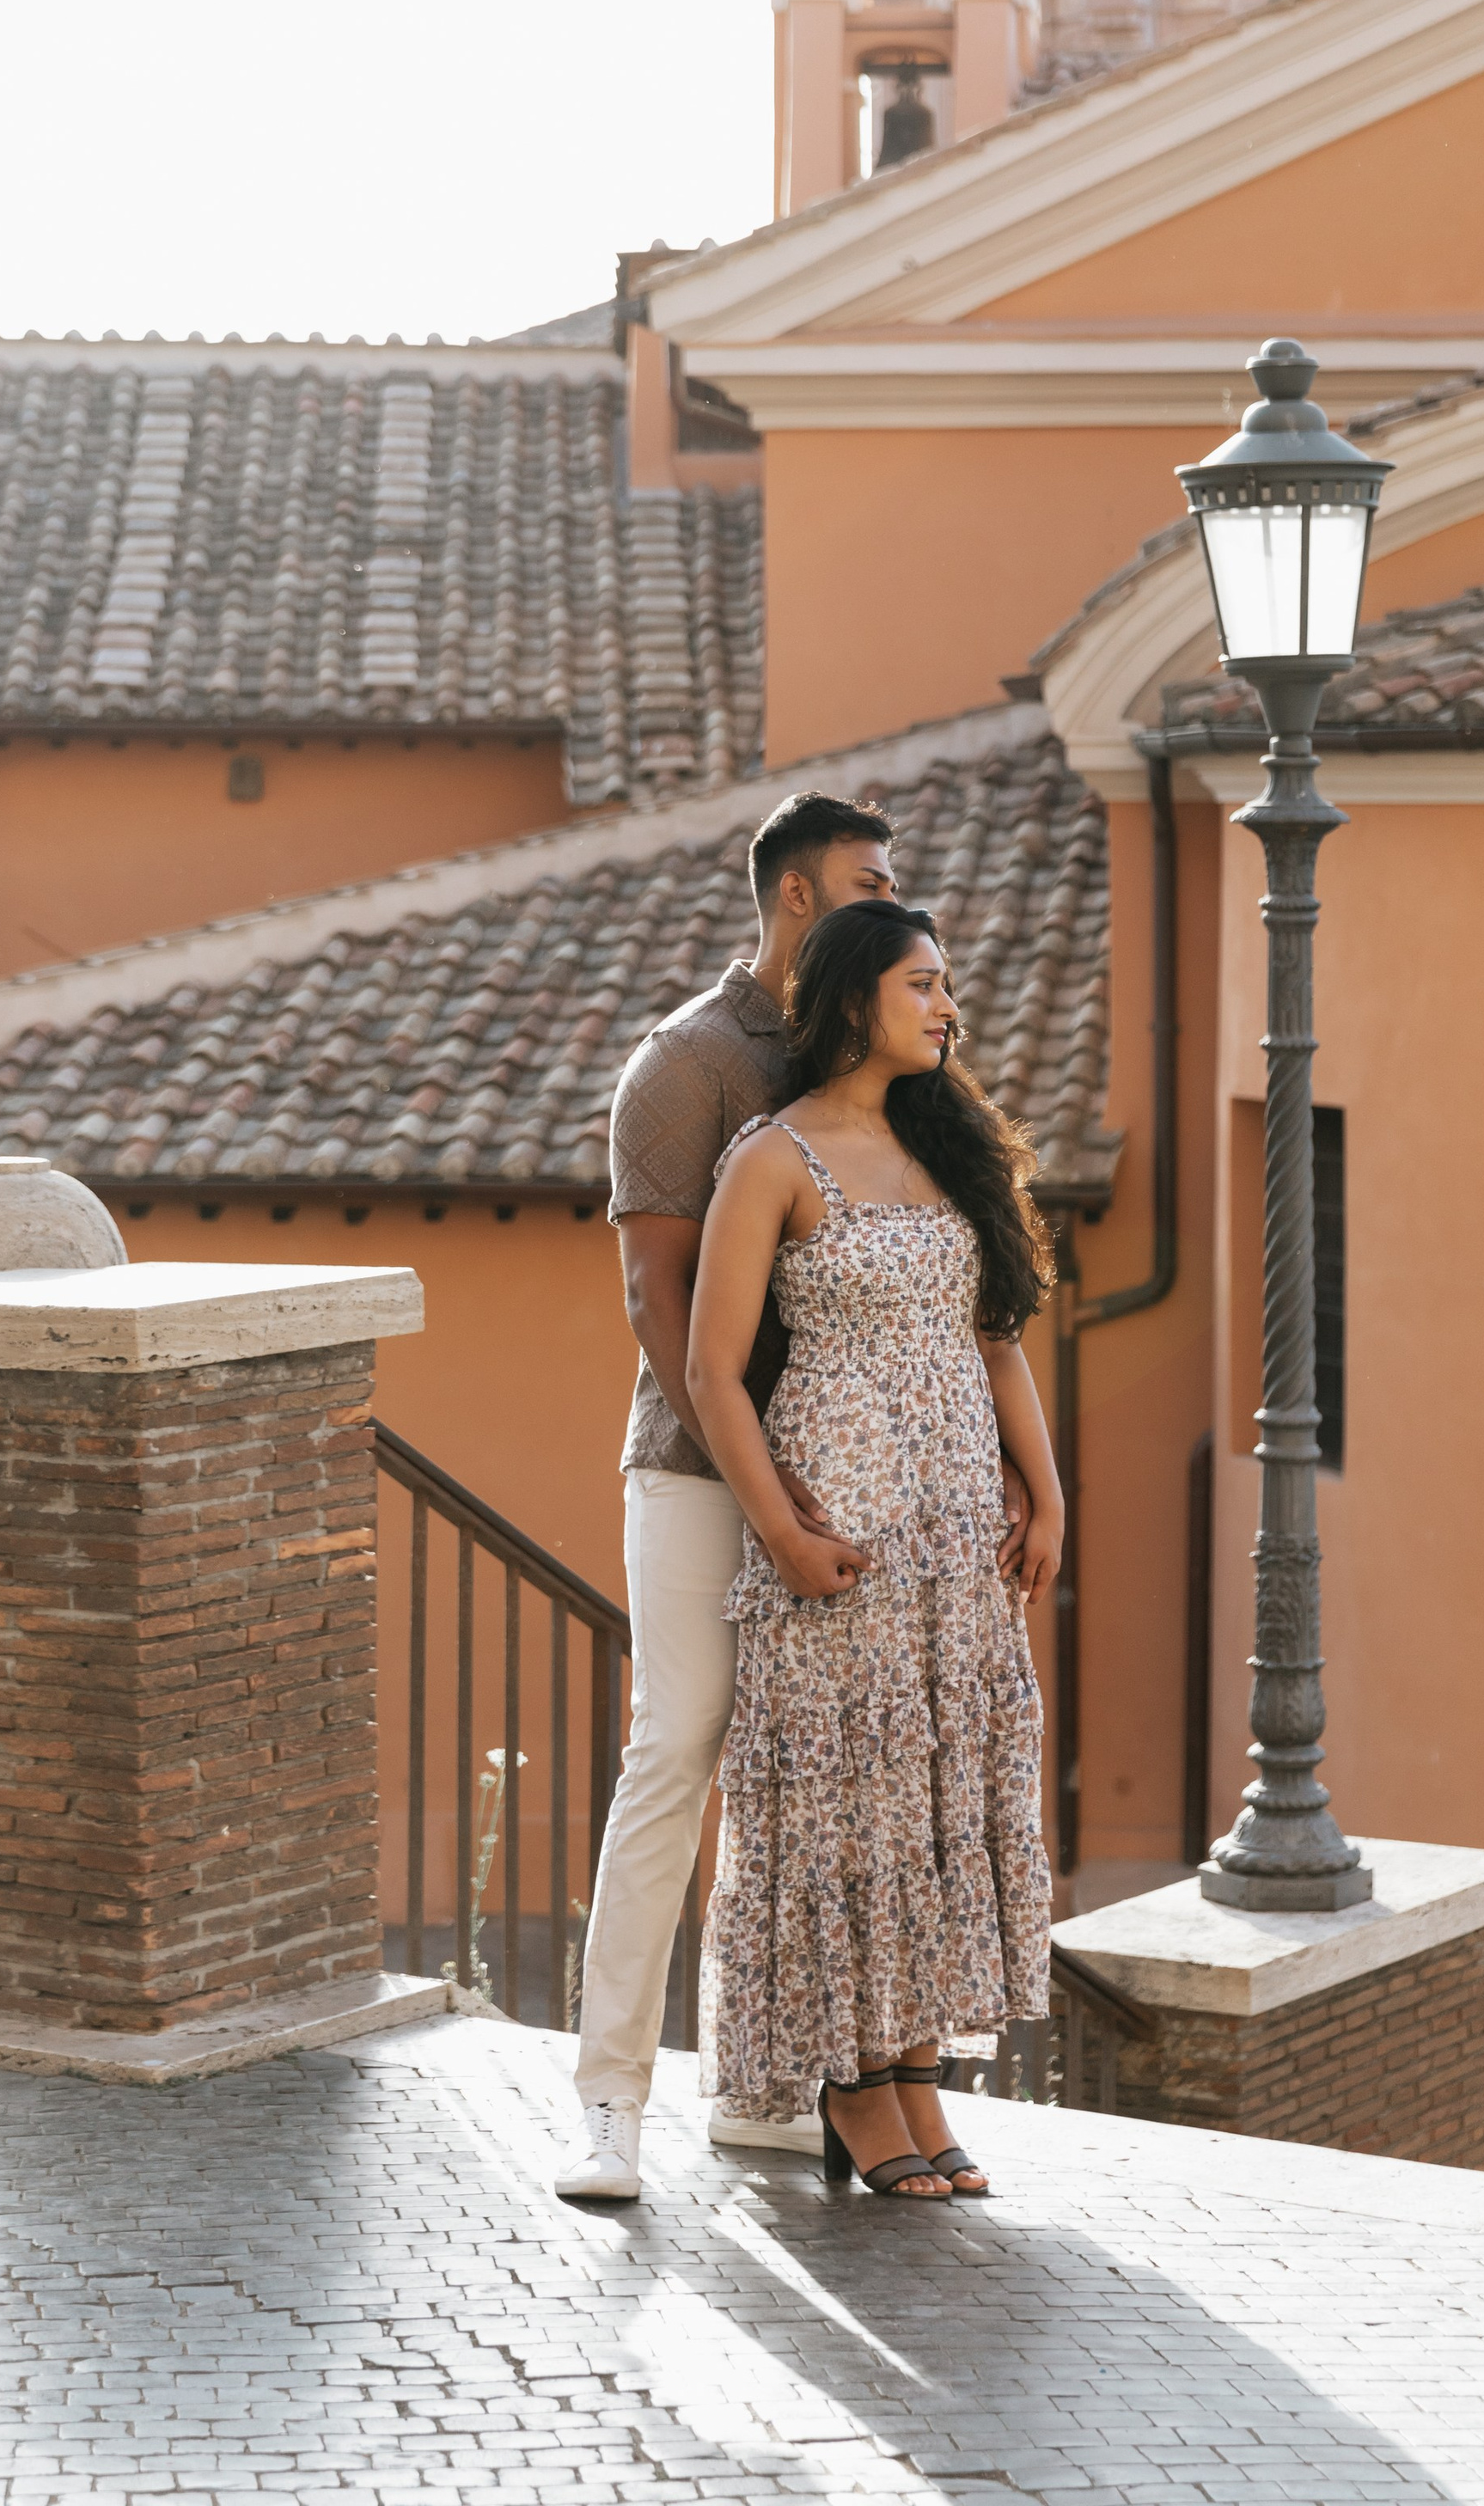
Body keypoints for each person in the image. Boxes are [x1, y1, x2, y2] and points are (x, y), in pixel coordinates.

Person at [557, 791, 918, 2199]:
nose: (894, 899)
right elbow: (658, 1298)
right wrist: (766, 1472)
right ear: (796, 901)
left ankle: (764, 2093)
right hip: (700, 1473)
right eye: (871, 880)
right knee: (680, 1746)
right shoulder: (688, 1065)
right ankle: (608, 2104)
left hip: (861, 1486)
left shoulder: (876, 1057)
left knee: (816, 1774)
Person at [684, 899, 1063, 2201]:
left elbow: (1000, 1338)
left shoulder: (950, 1151)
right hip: (842, 1526)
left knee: (935, 1799)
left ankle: (912, 2069)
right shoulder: (773, 1159)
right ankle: (850, 2081)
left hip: (957, 1528)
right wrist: (783, 1534)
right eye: (924, 983)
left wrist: (1048, 1491)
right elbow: (711, 1370)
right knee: (853, 1803)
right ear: (855, 1000)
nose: (947, 1006)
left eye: (949, 984)